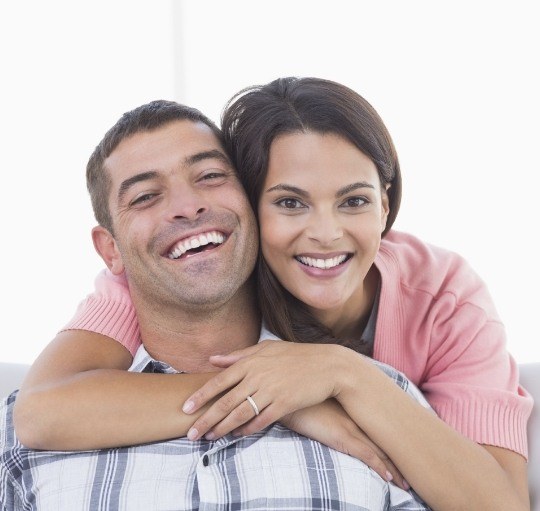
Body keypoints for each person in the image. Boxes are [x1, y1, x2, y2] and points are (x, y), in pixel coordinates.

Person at [12, 78, 533, 509]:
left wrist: (340, 374)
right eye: (289, 202)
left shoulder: (442, 302)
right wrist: (275, 400)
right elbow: (40, 413)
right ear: (255, 203)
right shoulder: (174, 269)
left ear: (384, 205)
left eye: (353, 200)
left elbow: (498, 501)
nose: (324, 233)